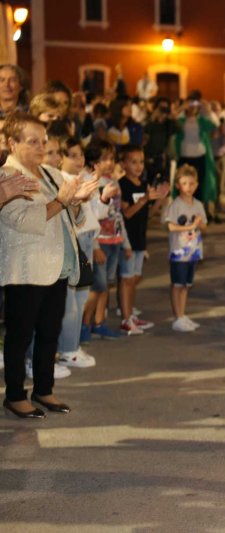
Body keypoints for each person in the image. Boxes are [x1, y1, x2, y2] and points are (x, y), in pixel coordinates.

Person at [1, 113, 98, 419]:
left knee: (49, 332)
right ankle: (15, 395)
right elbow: (23, 220)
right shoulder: (7, 176)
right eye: (32, 142)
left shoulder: (49, 173)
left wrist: (78, 200)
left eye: (43, 141)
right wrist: (62, 201)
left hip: (57, 266)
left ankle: (45, 389)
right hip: (26, 269)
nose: (41, 147)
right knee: (20, 335)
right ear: (11, 143)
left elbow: (76, 218)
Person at [55, 138, 99, 368]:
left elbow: (93, 212)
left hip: (88, 237)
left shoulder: (85, 178)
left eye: (81, 155)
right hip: (74, 240)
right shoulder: (59, 180)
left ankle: (71, 346)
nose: (78, 159)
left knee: (81, 296)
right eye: (72, 155)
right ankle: (67, 350)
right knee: (70, 300)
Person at [118, 144, 169, 335]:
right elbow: (127, 213)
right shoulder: (122, 184)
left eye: (141, 162)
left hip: (140, 237)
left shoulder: (143, 184)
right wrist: (143, 199)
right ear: (123, 164)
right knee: (127, 279)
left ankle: (130, 314)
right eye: (133, 162)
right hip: (127, 239)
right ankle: (125, 318)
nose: (138, 166)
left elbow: (147, 215)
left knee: (135, 278)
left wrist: (158, 200)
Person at [82, 140, 129, 339]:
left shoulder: (113, 182)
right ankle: (83, 325)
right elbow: (90, 216)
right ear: (93, 162)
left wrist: (126, 242)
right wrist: (94, 246)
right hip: (99, 241)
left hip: (114, 240)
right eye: (104, 159)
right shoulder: (90, 182)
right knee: (96, 286)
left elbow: (117, 215)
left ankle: (99, 322)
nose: (110, 163)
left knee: (106, 286)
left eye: (112, 159)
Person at [163, 165, 208, 333]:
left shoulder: (198, 205)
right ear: (178, 185)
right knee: (177, 284)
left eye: (191, 183)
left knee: (186, 285)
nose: (188, 187)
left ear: (196, 185)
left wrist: (199, 224)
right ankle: (177, 316)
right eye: (184, 183)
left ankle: (182, 314)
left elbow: (204, 227)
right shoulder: (176, 205)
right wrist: (189, 227)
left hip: (193, 252)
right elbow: (171, 227)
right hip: (179, 252)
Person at [174, 94, 219, 217]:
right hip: (184, 156)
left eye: (195, 105)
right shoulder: (181, 120)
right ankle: (184, 212)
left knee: (198, 185)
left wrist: (208, 109)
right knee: (183, 185)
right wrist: (181, 108)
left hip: (200, 155)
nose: (193, 107)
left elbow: (215, 124)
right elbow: (172, 120)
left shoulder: (202, 120)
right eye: (191, 104)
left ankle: (197, 213)